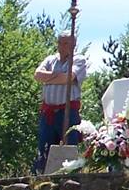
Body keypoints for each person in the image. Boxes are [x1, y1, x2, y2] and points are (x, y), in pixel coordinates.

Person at [32, 31, 88, 173]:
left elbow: (68, 78)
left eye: (66, 43)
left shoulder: (78, 60)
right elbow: (37, 75)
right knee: (44, 148)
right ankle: (41, 177)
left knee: (69, 147)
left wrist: (50, 77)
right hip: (49, 113)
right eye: (60, 43)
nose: (62, 46)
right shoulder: (50, 60)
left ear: (73, 45)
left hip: (67, 112)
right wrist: (59, 76)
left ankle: (70, 177)